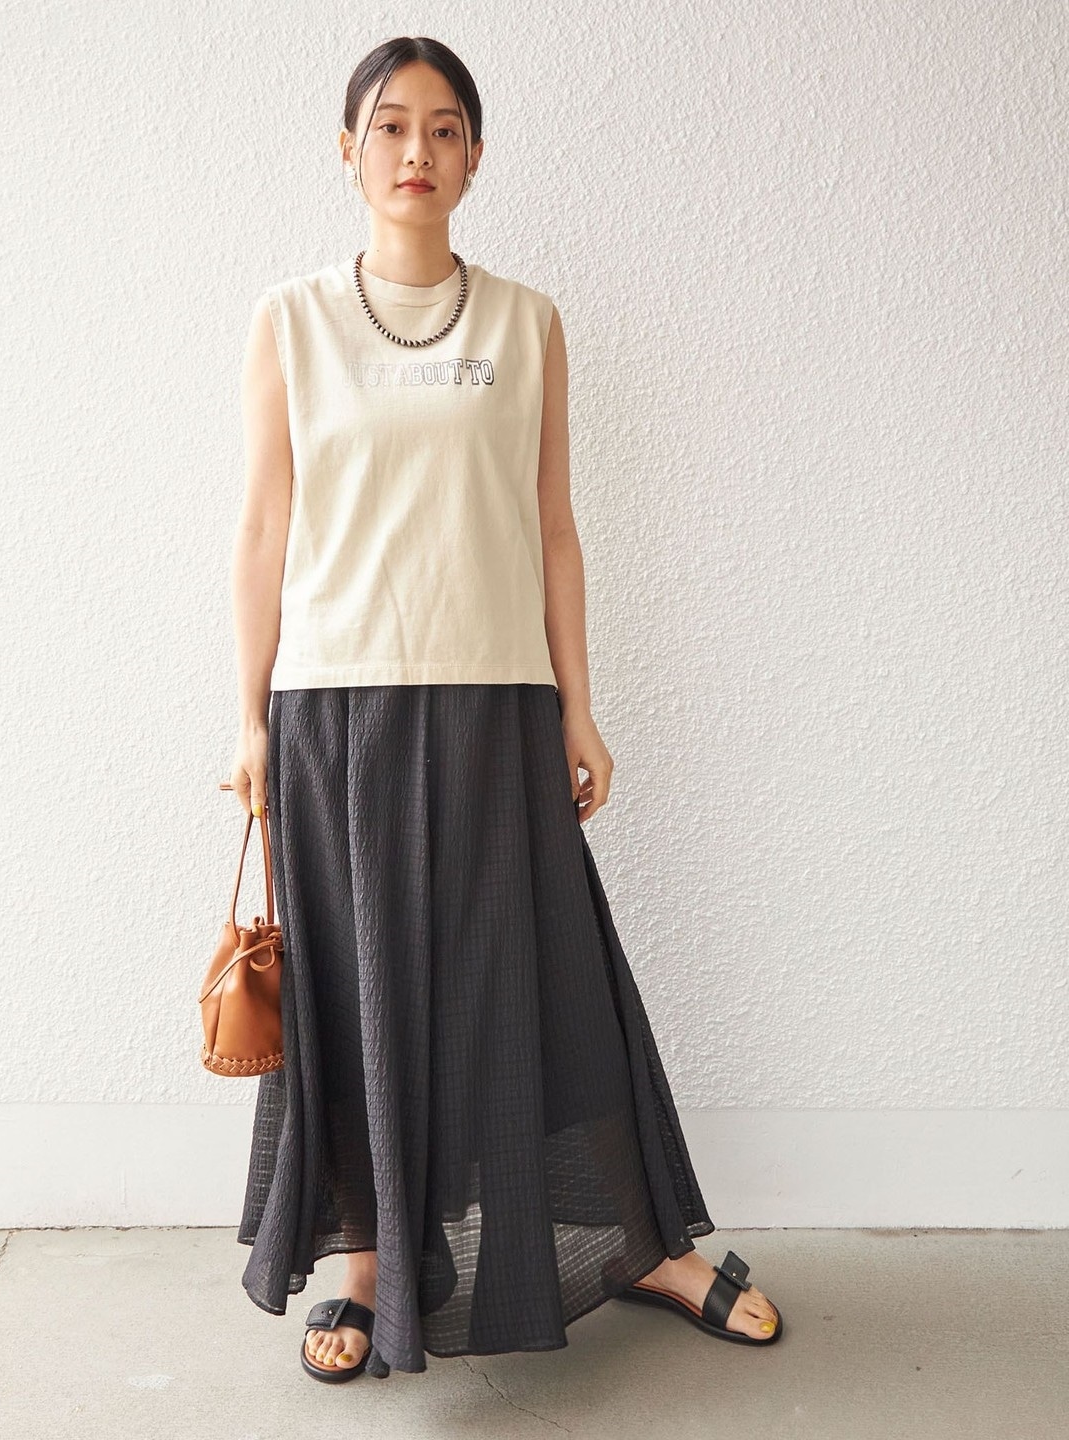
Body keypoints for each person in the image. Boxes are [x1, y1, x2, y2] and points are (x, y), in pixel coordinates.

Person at [227, 35, 782, 1383]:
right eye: (390, 126)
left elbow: (553, 527)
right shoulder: (291, 319)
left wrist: (580, 708)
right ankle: (369, 1262)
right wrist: (249, 720)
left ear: (475, 156)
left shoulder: (527, 322)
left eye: (445, 129)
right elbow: (262, 530)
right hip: (336, 709)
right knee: (360, 987)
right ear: (348, 150)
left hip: (497, 698)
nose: (416, 152)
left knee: (545, 974)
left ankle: (640, 1244)